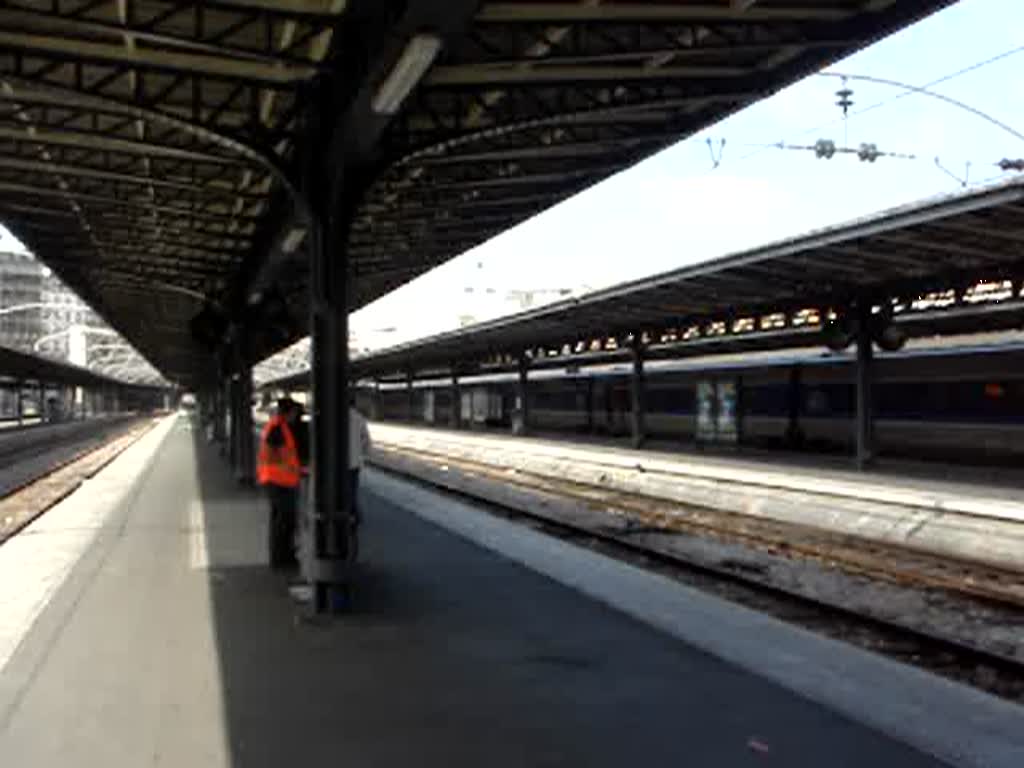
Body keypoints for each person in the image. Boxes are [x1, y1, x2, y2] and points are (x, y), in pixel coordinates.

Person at [257, 397, 302, 568]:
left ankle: (283, 557)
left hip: (280, 480)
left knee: (283, 521)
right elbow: (280, 456)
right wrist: (295, 470)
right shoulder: (277, 428)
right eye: (294, 413)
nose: (296, 417)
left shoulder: (280, 427)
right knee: (283, 522)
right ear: (287, 413)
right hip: (278, 482)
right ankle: (281, 559)